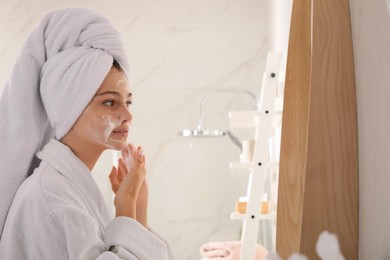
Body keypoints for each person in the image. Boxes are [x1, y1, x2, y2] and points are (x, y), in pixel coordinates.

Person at [0, 7, 174, 259]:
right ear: (69, 108)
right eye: (110, 102)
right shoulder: (51, 197)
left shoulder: (69, 188)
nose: (127, 115)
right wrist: (124, 208)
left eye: (128, 102)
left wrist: (138, 206)